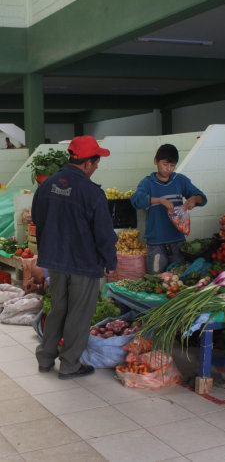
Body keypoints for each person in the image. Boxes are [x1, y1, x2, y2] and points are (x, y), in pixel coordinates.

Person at [32, 135, 118, 379]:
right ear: (88, 163)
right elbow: (103, 234)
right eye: (97, 161)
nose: (97, 166)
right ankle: (70, 364)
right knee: (79, 313)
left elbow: (38, 220)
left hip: (56, 262)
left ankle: (45, 358)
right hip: (84, 263)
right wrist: (110, 261)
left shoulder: (47, 186)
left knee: (58, 308)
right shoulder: (92, 193)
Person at [131, 143, 207, 274]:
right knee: (156, 279)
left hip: (178, 243)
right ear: (156, 161)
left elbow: (202, 198)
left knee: (178, 280)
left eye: (172, 166)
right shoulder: (147, 183)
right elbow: (136, 200)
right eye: (165, 164)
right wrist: (159, 200)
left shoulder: (180, 180)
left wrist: (194, 200)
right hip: (156, 244)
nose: (168, 169)